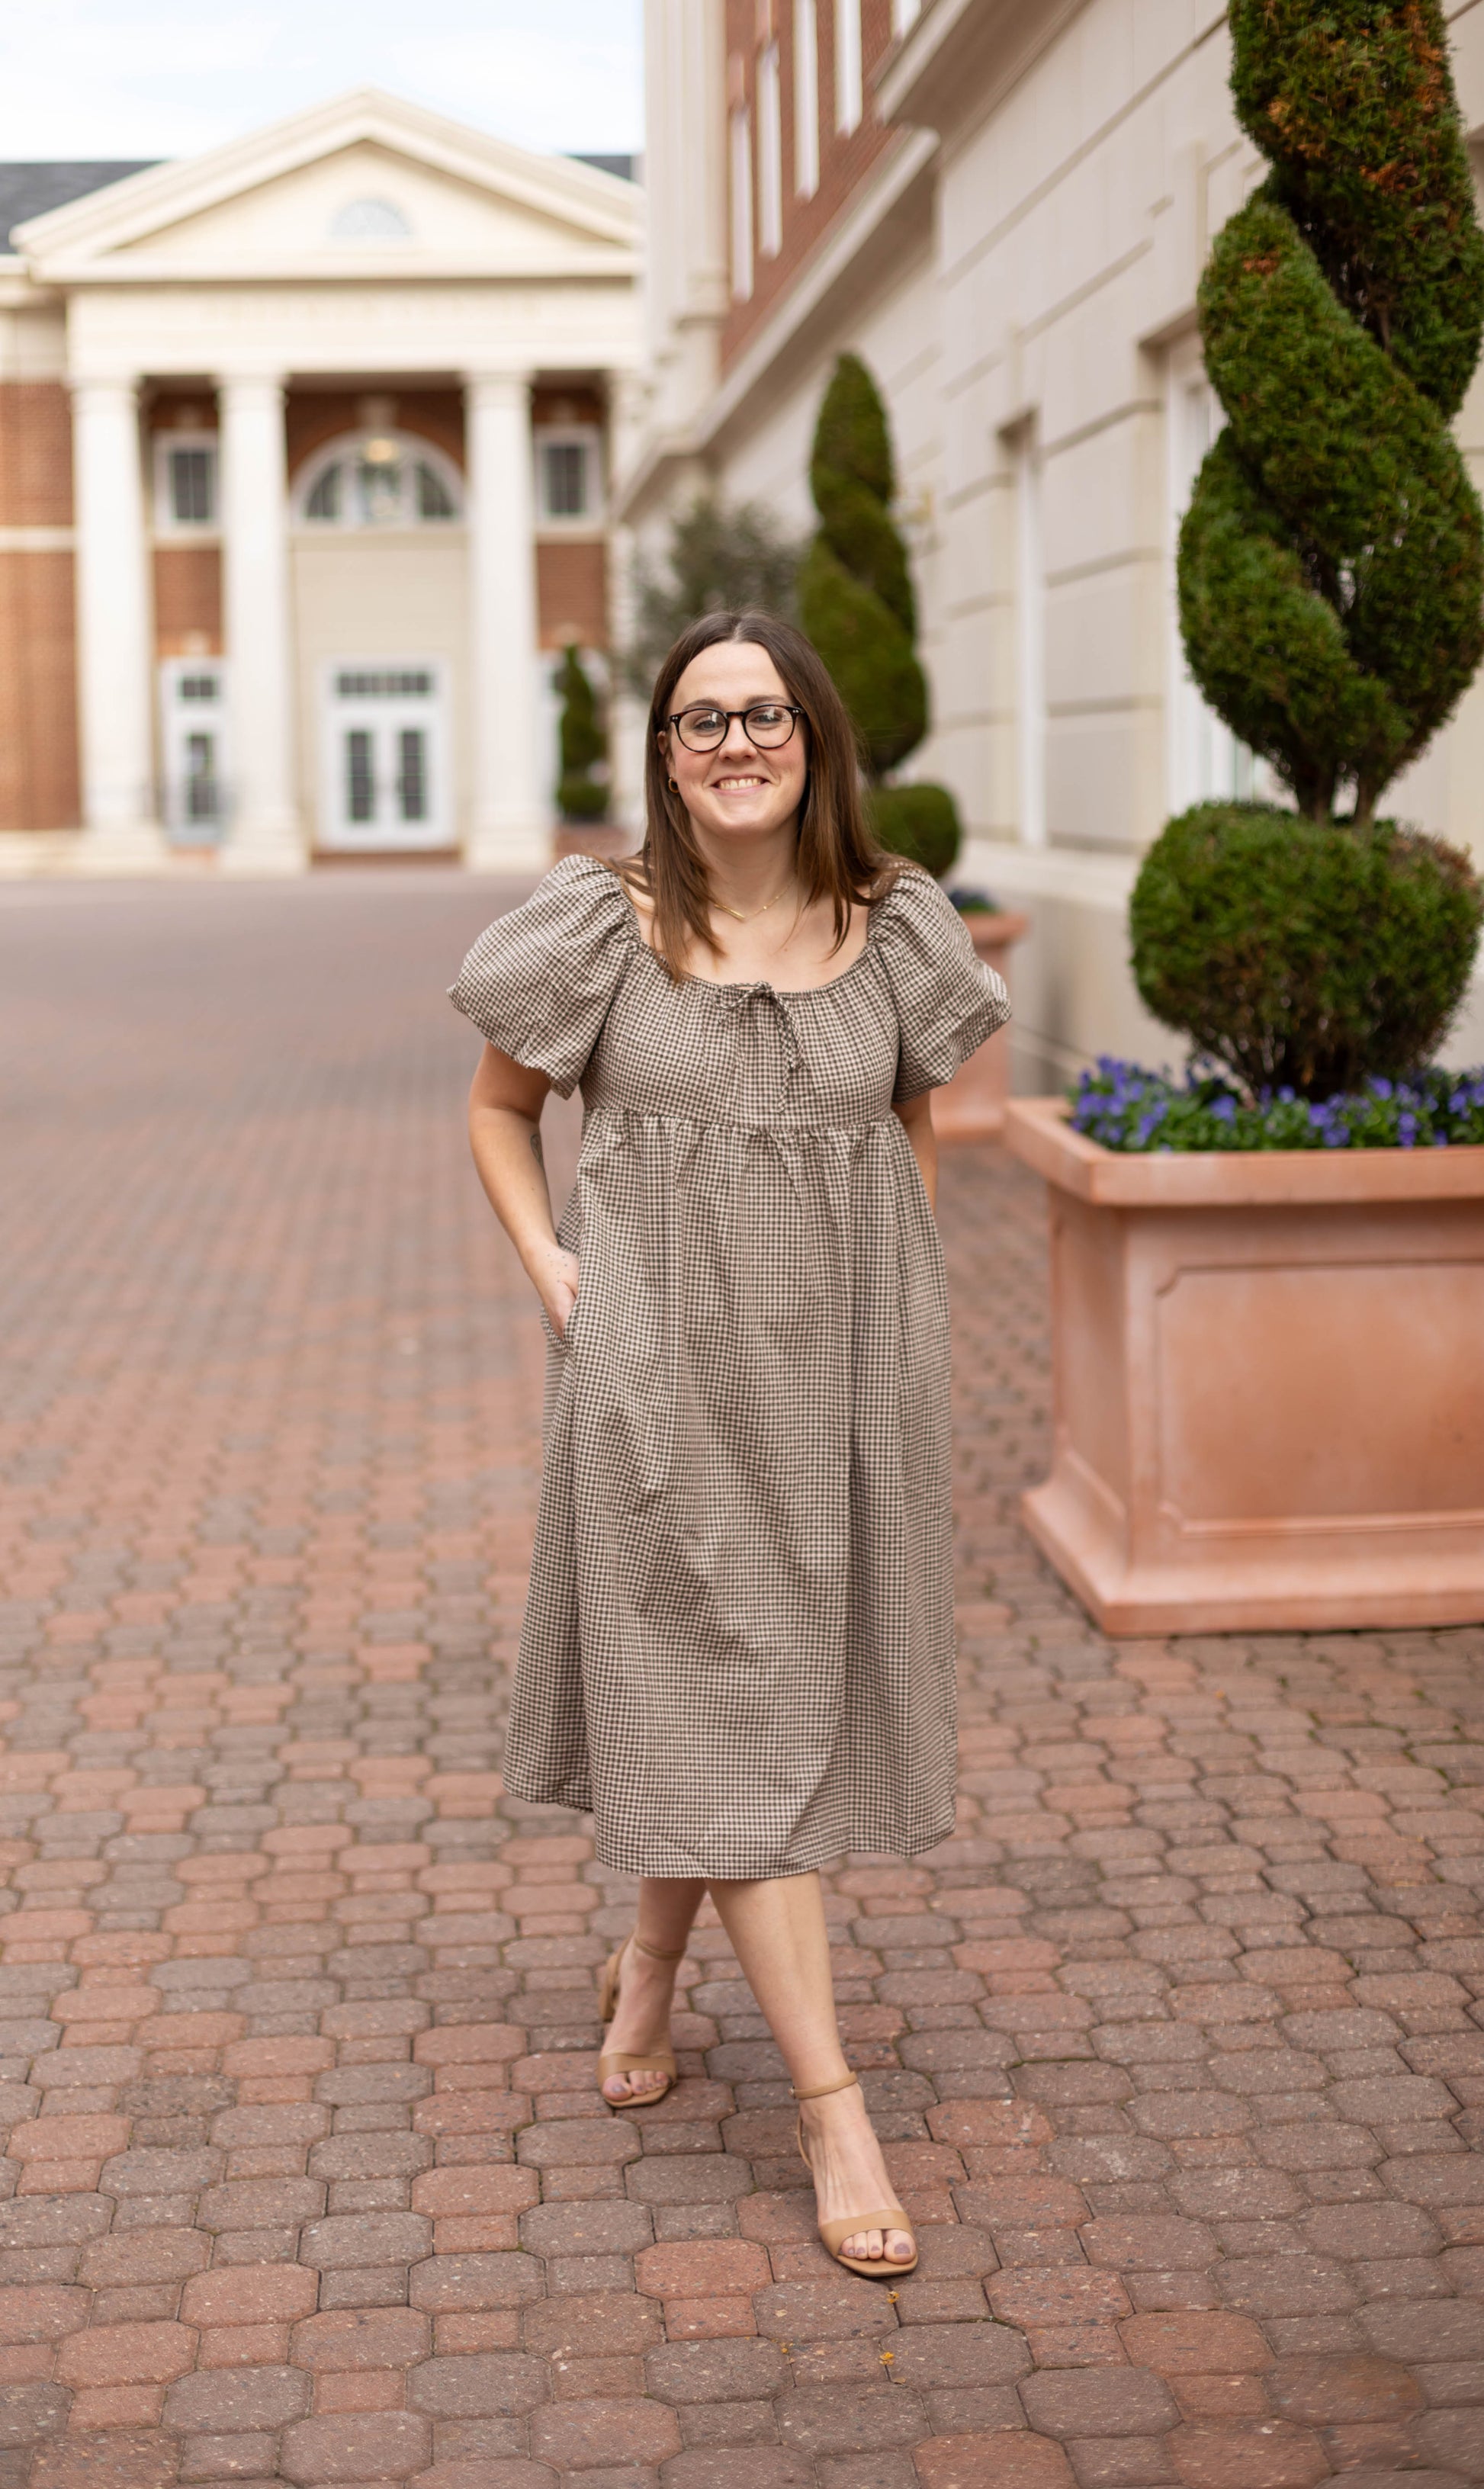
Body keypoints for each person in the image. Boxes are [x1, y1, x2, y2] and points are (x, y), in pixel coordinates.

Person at [450, 611, 1008, 2277]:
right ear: (667, 759)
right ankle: (832, 2106)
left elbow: (915, 1122)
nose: (736, 743)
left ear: (814, 737)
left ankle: (647, 1962)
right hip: (655, 1375)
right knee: (735, 1684)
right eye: (701, 722)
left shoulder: (898, 924)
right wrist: (555, 1267)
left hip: (844, 1378)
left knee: (769, 1693)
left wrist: (891, 1302)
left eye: (764, 713)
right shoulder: (600, 927)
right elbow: (497, 1110)